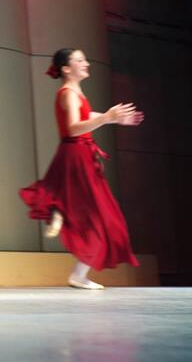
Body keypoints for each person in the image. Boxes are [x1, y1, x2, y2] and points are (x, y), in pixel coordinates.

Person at [20, 48, 143, 289]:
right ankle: (61, 213)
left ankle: (60, 210)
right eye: (80, 60)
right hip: (77, 153)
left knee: (101, 215)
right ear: (66, 68)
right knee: (102, 215)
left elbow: (84, 115)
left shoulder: (74, 92)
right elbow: (74, 127)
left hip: (80, 154)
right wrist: (106, 118)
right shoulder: (68, 93)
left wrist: (114, 118)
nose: (86, 63)